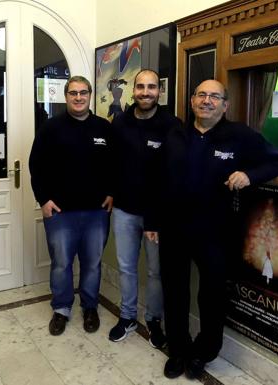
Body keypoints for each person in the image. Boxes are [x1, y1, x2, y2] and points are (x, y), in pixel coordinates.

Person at [145, 79, 278, 379]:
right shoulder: (175, 135)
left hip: (215, 232)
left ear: (225, 105)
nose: (206, 101)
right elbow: (157, 181)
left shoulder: (239, 136)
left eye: (214, 96)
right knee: (175, 292)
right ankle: (178, 350)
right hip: (173, 229)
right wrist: (152, 222)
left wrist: (250, 174)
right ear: (192, 101)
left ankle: (204, 352)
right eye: (201, 95)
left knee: (211, 296)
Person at [29, 75, 113, 336]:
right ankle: (62, 309)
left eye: (83, 92)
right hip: (60, 213)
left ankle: (89, 307)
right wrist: (43, 199)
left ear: (90, 95)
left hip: (96, 213)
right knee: (61, 263)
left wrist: (112, 192)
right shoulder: (50, 128)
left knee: (92, 263)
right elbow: (36, 166)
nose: (78, 97)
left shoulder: (104, 128)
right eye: (73, 93)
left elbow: (116, 164)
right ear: (66, 96)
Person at [108, 69, 181, 348]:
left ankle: (153, 320)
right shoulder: (121, 123)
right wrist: (112, 193)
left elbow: (173, 174)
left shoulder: (172, 125)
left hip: (158, 216)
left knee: (155, 272)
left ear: (159, 92)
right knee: (126, 267)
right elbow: (112, 164)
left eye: (151, 87)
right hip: (125, 211)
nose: (145, 92)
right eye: (140, 87)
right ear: (133, 90)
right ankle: (127, 316)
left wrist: (157, 216)